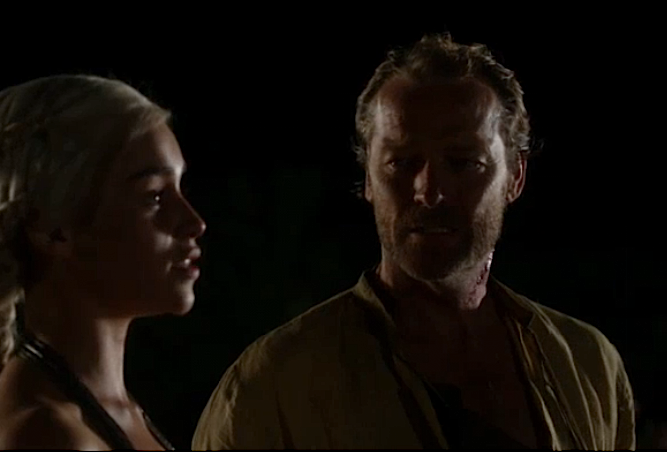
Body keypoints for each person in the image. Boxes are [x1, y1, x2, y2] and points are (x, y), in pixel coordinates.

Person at [192, 33, 635, 450]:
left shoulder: (586, 365)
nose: (428, 191)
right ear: (369, 178)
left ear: (515, 177)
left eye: (462, 162)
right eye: (401, 162)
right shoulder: (274, 385)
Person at [0, 75, 206, 450]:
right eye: (155, 196)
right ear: (53, 228)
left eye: (180, 187)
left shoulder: (106, 411)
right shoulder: (42, 435)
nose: (194, 222)